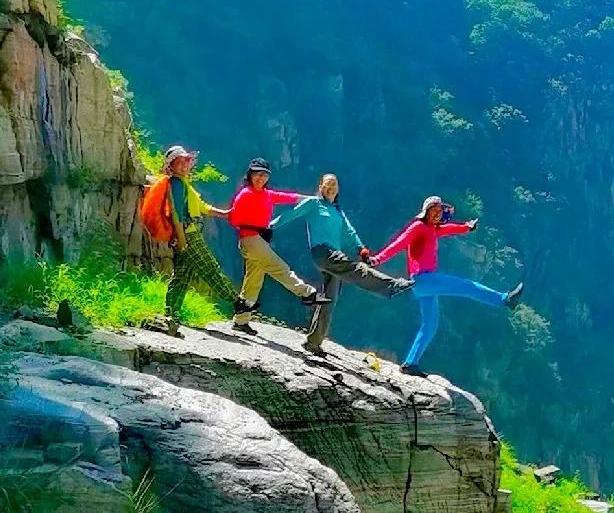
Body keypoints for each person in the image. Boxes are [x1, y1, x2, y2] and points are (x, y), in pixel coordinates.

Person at [366, 194, 523, 374]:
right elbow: (398, 243)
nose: (437, 214)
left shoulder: (433, 229)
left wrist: (466, 227)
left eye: (439, 211)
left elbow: (449, 229)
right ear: (426, 212)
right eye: (434, 211)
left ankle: (410, 363)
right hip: (422, 280)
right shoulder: (418, 227)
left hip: (425, 283)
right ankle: (504, 300)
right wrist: (377, 259)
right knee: (467, 286)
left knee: (430, 324)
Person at [275, 172, 411, 352]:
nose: (331, 188)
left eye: (334, 185)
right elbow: (290, 215)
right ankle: (392, 286)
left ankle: (313, 343)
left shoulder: (337, 210)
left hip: (333, 254)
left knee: (329, 300)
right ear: (320, 187)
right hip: (323, 252)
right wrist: (267, 228)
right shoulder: (313, 204)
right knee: (356, 269)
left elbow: (349, 232)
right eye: (327, 184)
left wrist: (361, 248)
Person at [137, 145, 233, 332]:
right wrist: (181, 239)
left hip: (189, 232)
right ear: (171, 166)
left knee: (182, 276)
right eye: (179, 162)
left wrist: (224, 214)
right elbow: (176, 213)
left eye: (186, 162)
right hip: (188, 234)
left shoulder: (184, 183)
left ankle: (171, 313)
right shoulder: (176, 184)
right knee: (209, 267)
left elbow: (202, 207)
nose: (184, 165)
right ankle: (237, 301)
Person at [222, 157, 320, 332]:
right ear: (250, 175)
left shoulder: (266, 194)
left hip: (258, 240)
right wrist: (254, 225)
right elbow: (234, 218)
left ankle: (241, 321)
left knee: (253, 281)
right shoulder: (246, 194)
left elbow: (287, 197)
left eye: (264, 175)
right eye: (257, 174)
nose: (260, 178)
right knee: (279, 268)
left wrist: (311, 199)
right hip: (251, 240)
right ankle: (307, 293)